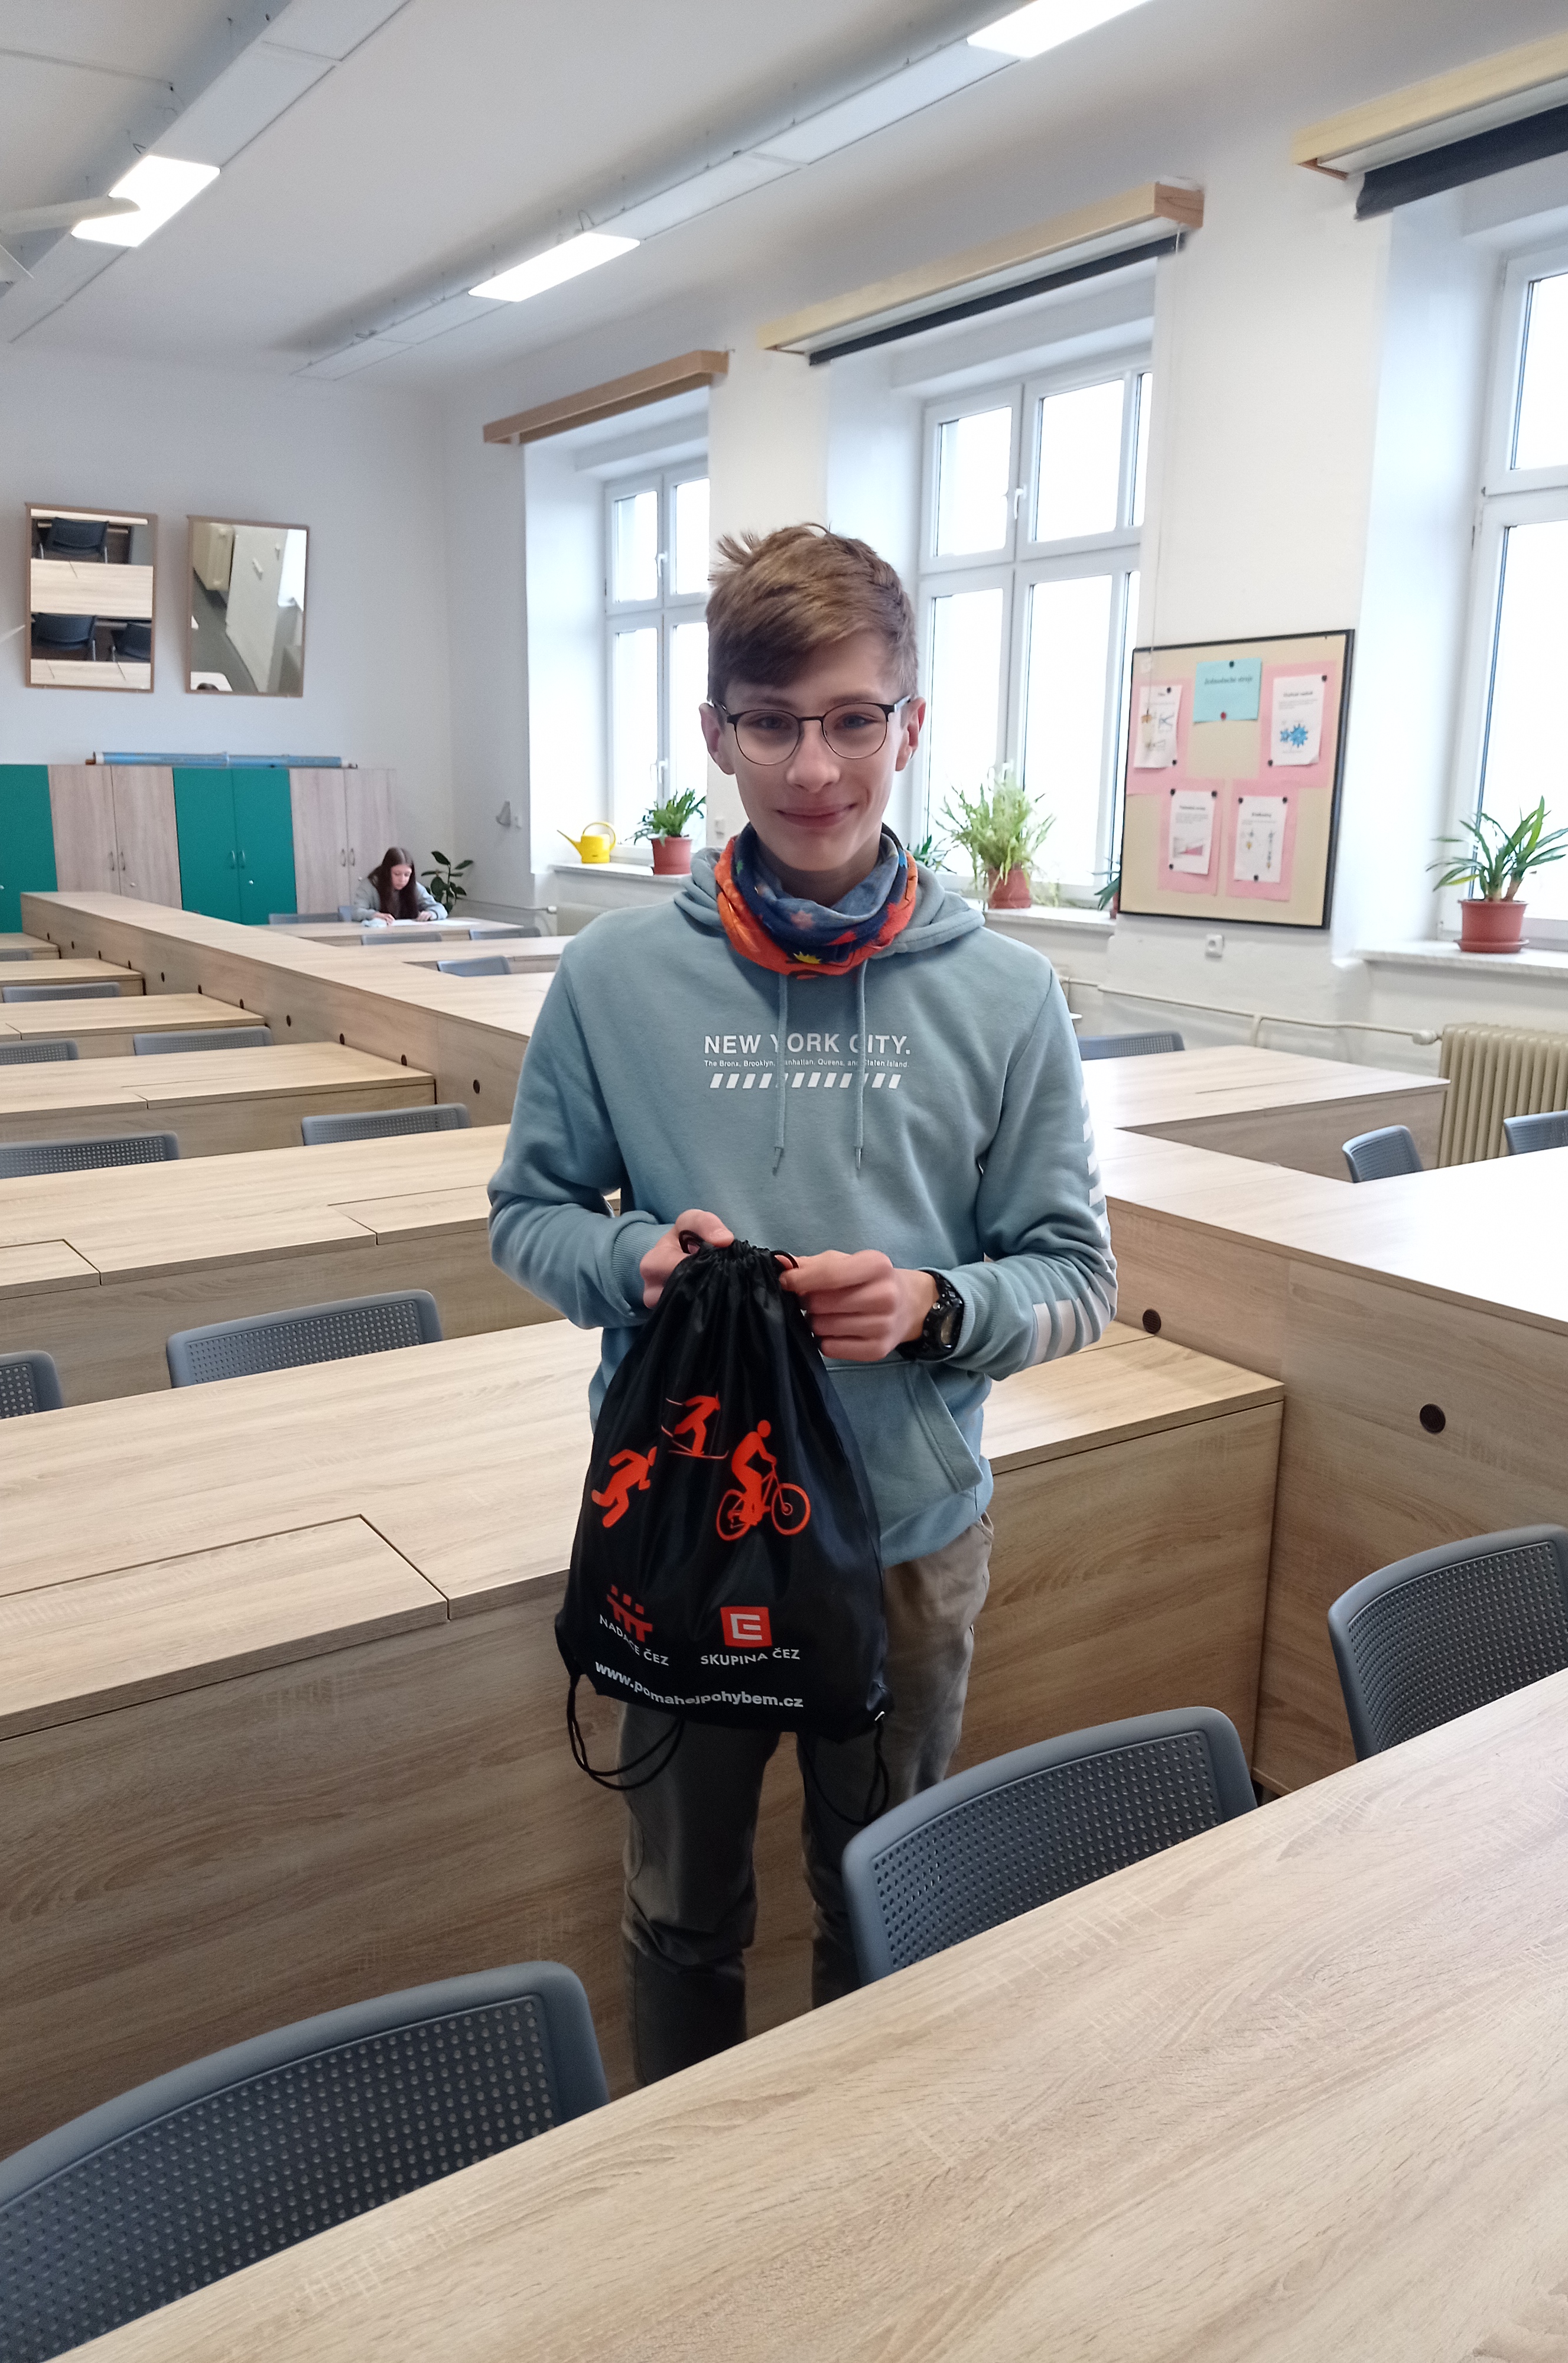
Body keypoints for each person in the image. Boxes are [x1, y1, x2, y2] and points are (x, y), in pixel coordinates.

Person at [489, 523, 1115, 2085]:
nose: (814, 768)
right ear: (716, 734)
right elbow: (526, 1219)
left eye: (850, 719)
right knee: (680, 1911)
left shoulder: (1007, 995)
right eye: (771, 723)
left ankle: (863, 2172)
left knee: (882, 1899)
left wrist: (932, 1305)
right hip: (684, 1524)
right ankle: (681, 2181)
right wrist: (632, 1267)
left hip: (906, 1536)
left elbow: (1076, 1277)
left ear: (912, 724)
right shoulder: (614, 978)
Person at [353, 845, 446, 925]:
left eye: (407, 875)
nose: (402, 880)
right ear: (387, 872)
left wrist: (432, 914)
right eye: (397, 874)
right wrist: (375, 915)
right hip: (377, 935)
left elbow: (439, 908)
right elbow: (356, 912)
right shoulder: (370, 885)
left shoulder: (414, 887)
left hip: (409, 934)